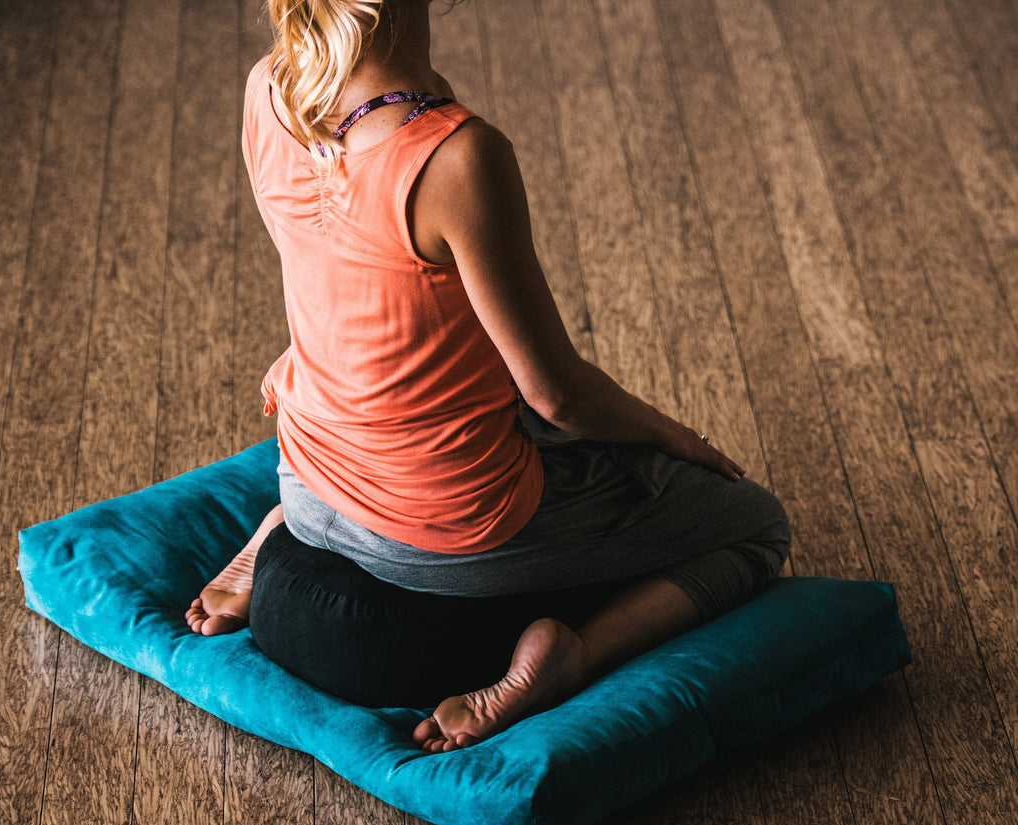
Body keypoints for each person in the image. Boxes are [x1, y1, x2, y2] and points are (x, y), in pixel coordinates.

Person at [186, 0, 791, 753]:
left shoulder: (270, 90)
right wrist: (675, 435)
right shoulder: (455, 155)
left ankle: (278, 526)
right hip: (445, 527)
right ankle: (575, 657)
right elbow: (557, 394)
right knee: (755, 526)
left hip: (307, 468)